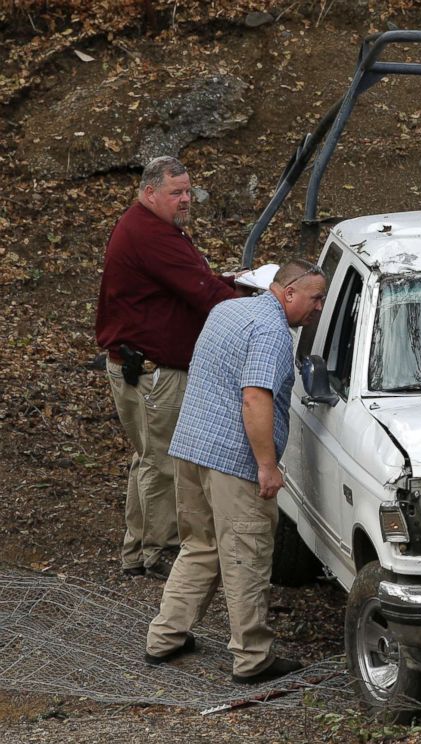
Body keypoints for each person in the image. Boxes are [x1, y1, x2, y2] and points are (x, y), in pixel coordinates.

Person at [144, 259, 327, 684]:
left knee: (200, 545)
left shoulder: (228, 309)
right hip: (234, 462)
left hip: (191, 447)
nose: (319, 308)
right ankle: (252, 659)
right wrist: (267, 465)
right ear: (288, 293)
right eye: (316, 298)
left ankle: (165, 638)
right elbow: (255, 399)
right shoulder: (273, 335)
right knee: (246, 557)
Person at [95, 156, 240, 580]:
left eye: (188, 191)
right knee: (163, 461)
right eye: (176, 192)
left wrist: (232, 283)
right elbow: (203, 293)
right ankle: (158, 552)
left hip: (138, 367)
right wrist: (258, 304)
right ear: (149, 193)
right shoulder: (152, 235)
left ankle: (137, 550)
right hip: (153, 374)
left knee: (148, 457)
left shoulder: (149, 227)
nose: (185, 199)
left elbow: (192, 282)